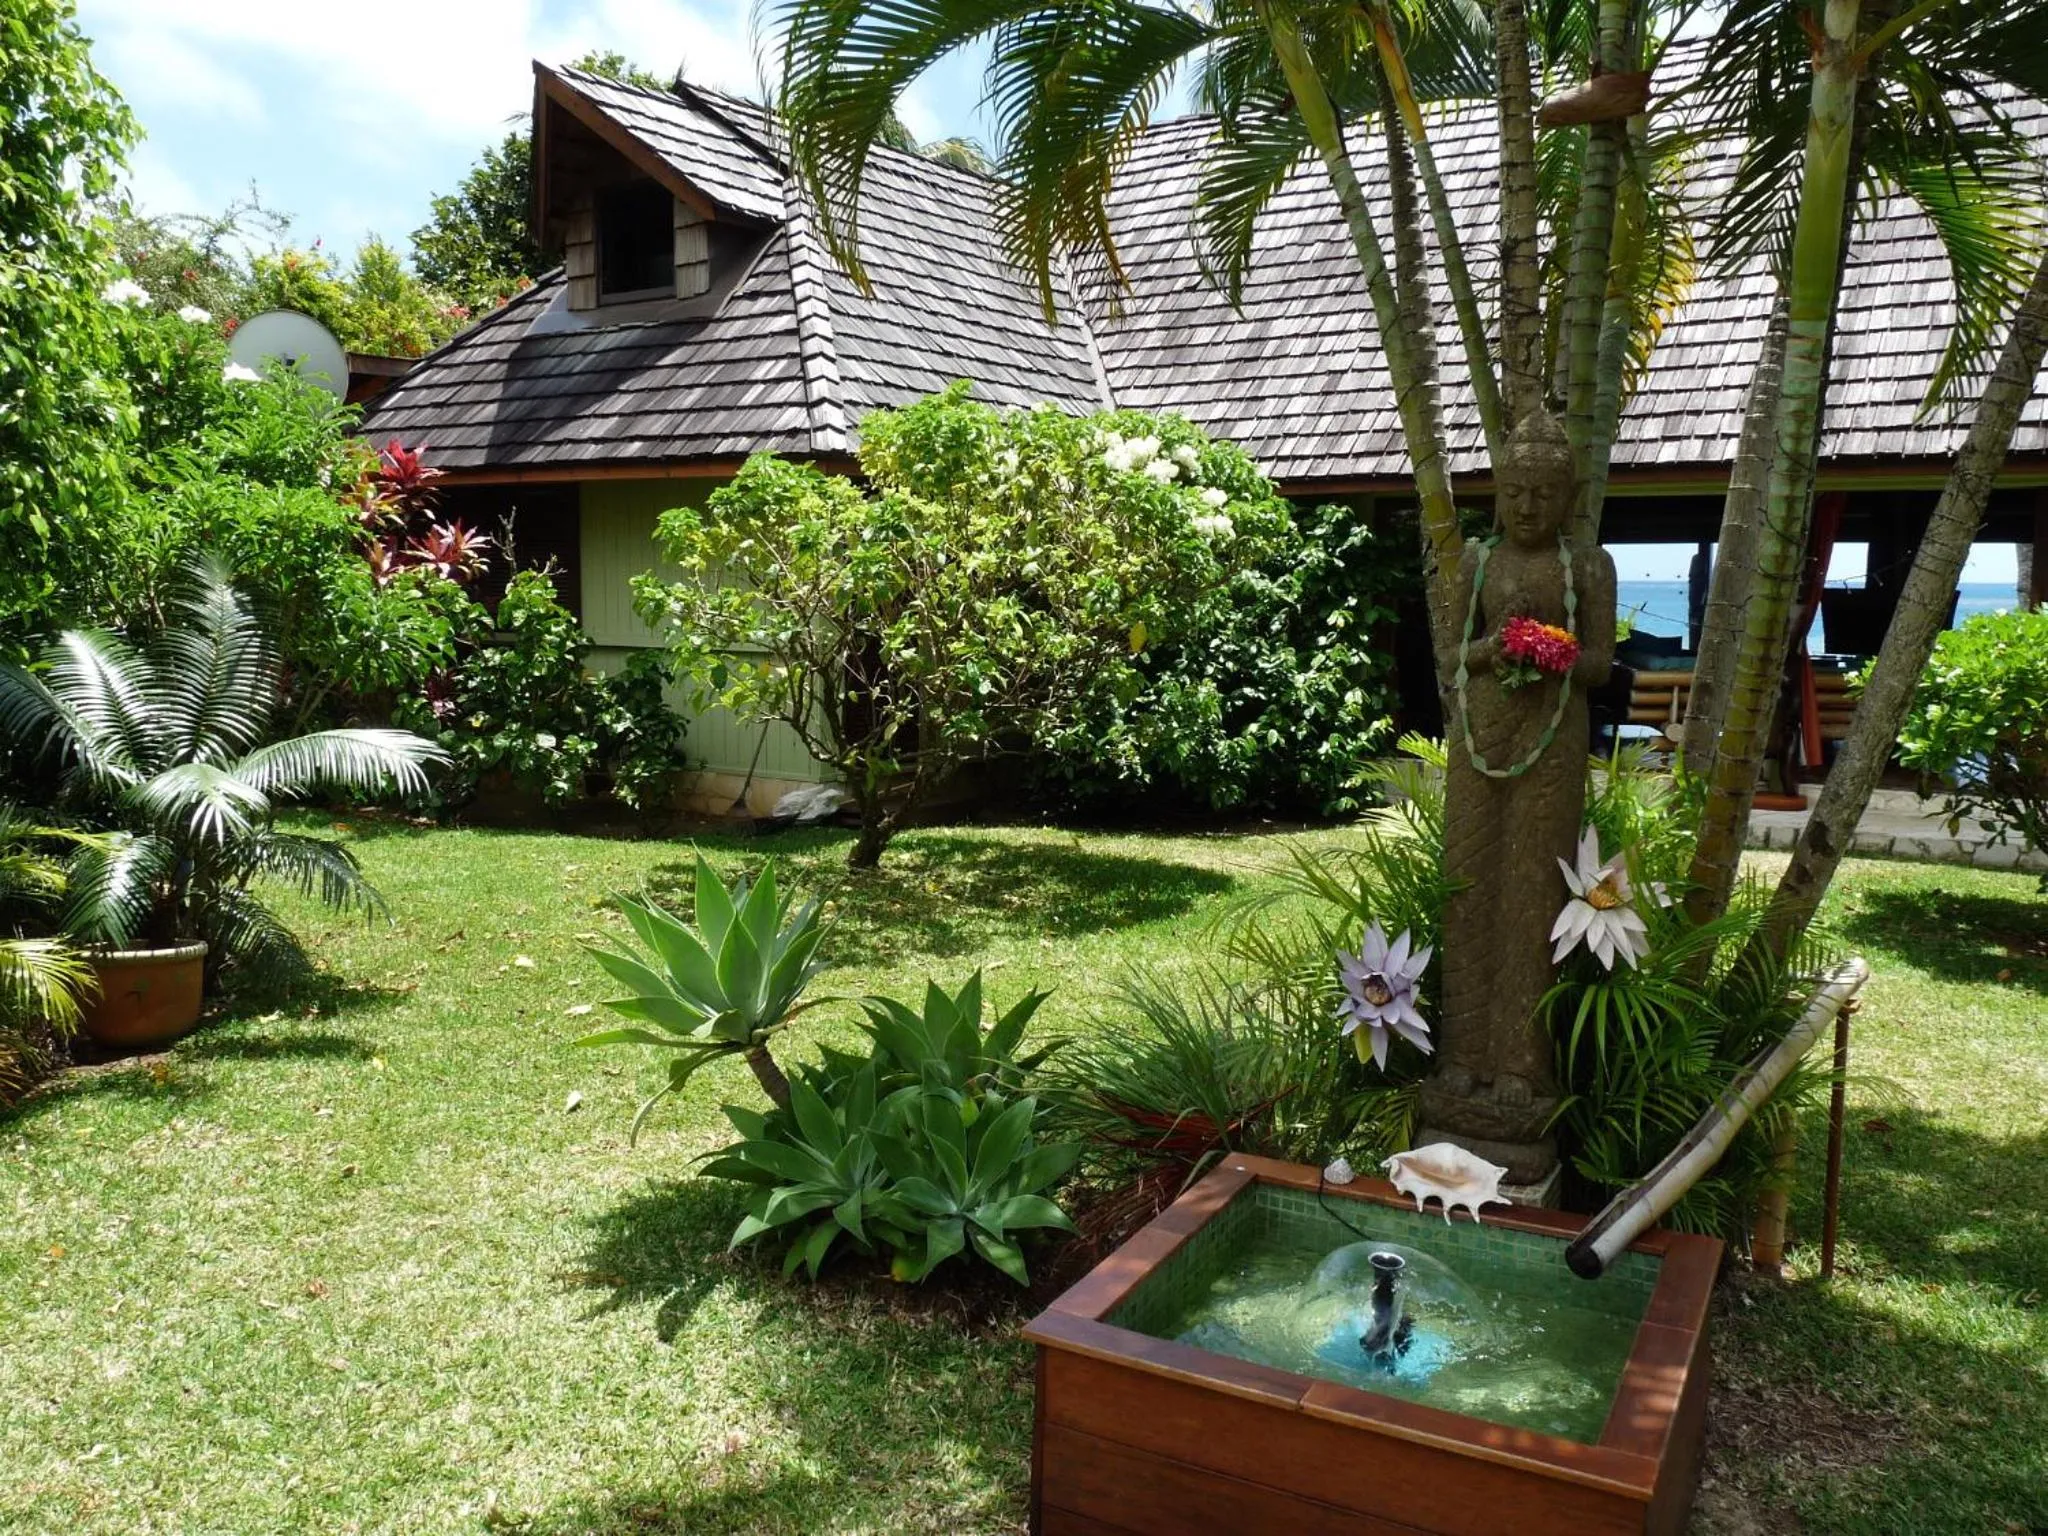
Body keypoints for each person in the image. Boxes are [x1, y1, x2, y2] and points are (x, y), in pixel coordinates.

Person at [1418, 411, 1617, 1187]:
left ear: (1565, 498)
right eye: (1515, 493)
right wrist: (1497, 646)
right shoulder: (1478, 558)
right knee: (1469, 891)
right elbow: (1454, 654)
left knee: (1531, 897)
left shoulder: (1588, 567)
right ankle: (1460, 1059)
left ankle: (1520, 1072)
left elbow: (1601, 663)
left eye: (1542, 494)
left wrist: (1557, 650)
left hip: (1551, 741)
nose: (1528, 508)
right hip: (1481, 739)